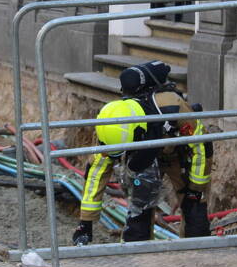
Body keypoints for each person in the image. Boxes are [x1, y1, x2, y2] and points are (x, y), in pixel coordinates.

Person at [71, 60, 211, 245]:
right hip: (141, 158)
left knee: (195, 214)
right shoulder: (112, 124)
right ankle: (138, 257)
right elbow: (96, 172)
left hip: (176, 153)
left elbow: (202, 147)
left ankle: (197, 258)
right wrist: (85, 223)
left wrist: (195, 190)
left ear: (138, 131)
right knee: (139, 215)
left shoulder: (172, 107)